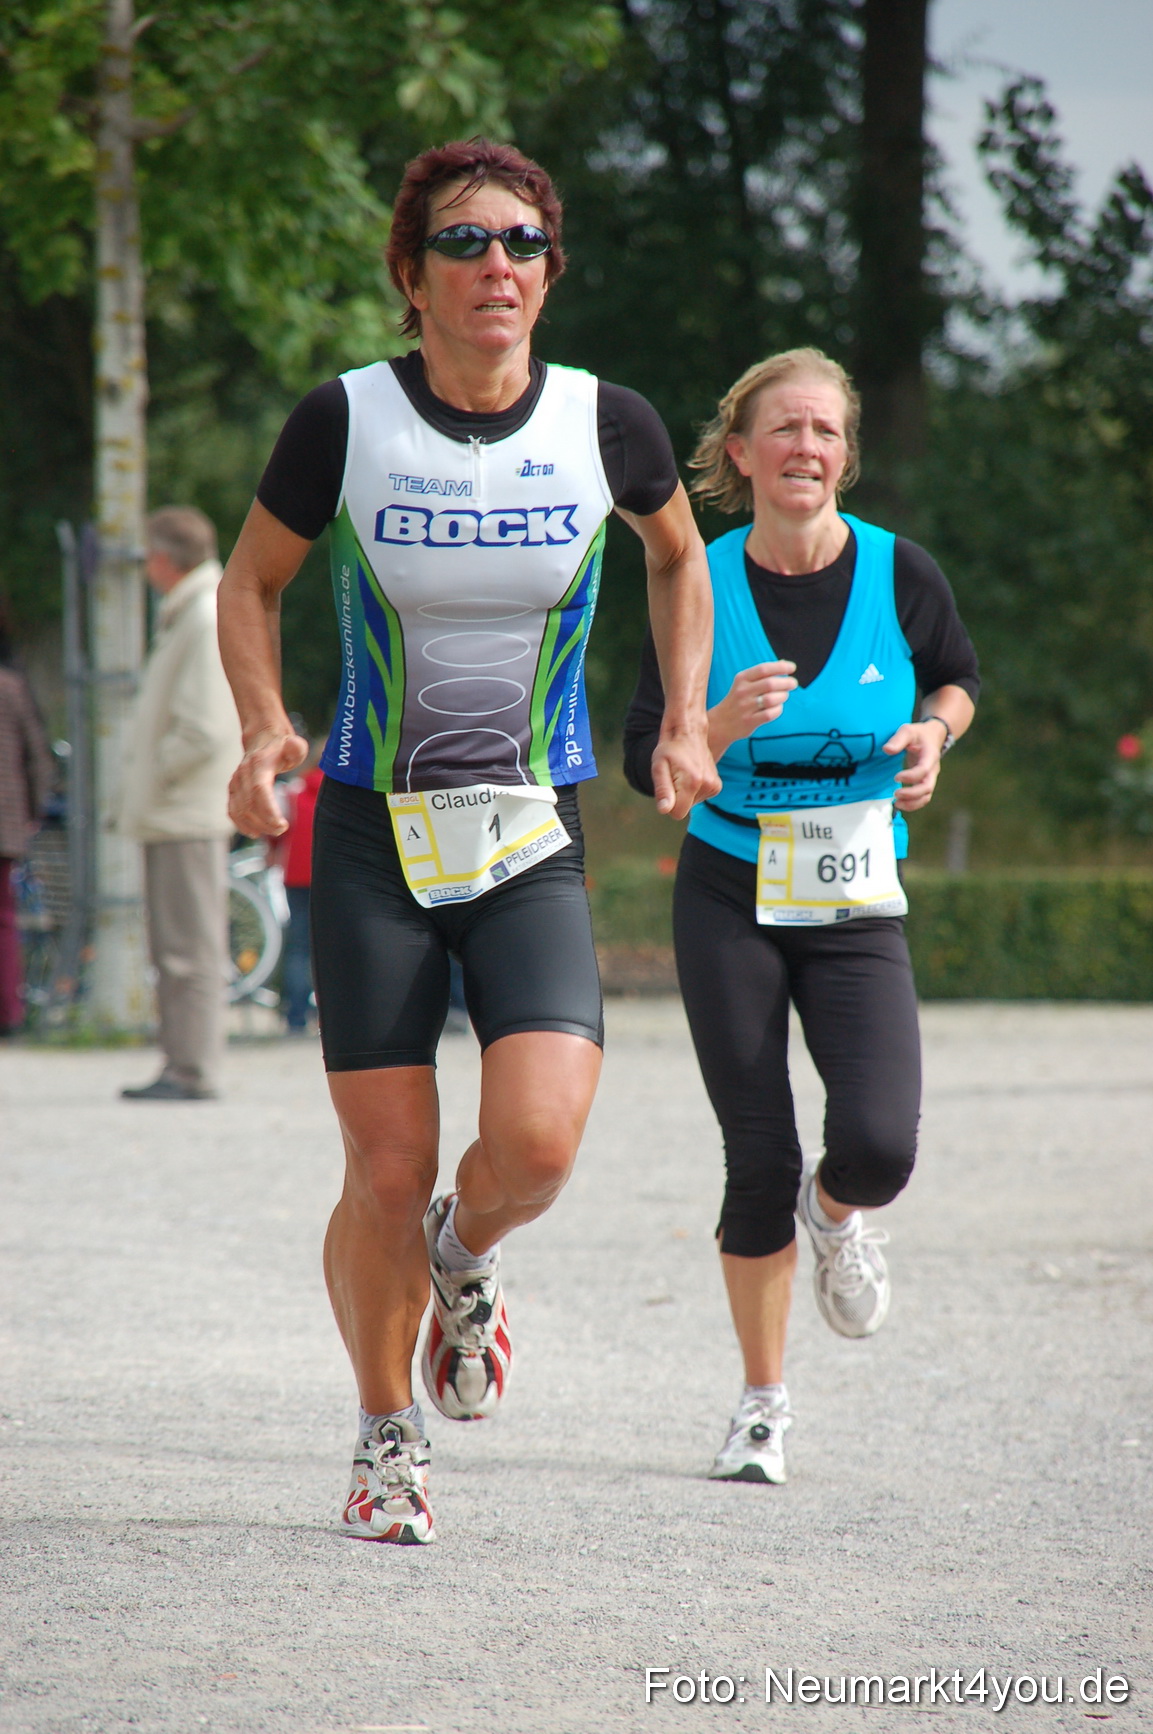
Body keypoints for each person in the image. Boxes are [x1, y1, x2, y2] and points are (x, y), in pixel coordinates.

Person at [218, 137, 718, 1545]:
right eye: (464, 241)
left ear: (550, 275)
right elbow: (251, 584)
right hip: (370, 836)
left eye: (522, 243)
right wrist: (263, 727)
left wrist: (683, 716)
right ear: (411, 275)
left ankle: (465, 1247)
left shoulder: (608, 422)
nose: (496, 264)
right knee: (383, 1168)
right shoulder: (346, 419)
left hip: (527, 833)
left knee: (539, 1147)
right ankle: (387, 1436)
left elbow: (679, 556)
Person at [624, 348, 978, 1486]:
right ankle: (761, 1406)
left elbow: (956, 679)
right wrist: (712, 727)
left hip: (853, 897)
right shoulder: (696, 580)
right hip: (728, 888)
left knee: (877, 1145)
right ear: (739, 452)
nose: (805, 448)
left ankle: (834, 1214)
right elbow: (645, 762)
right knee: (757, 1151)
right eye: (783, 428)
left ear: (846, 453)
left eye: (825, 430)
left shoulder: (899, 570)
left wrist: (932, 735)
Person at [120, 508, 242, 1101]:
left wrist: (157, 773)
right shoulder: (197, 610)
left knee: (188, 948)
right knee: (177, 946)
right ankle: (181, 1063)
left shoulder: (202, 613)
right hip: (180, 808)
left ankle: (192, 1069)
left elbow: (203, 728)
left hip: (185, 808)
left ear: (165, 559)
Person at [0, 602, 54, 1034]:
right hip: (4, 823)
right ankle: (9, 1013)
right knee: (4, 920)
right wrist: (33, 811)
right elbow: (37, 758)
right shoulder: (11, 688)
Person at [273, 735, 323, 1034]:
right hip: (336, 877)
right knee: (340, 946)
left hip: (297, 876)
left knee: (299, 947)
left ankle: (296, 1016)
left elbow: (275, 829)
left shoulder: (293, 790)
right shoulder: (349, 791)